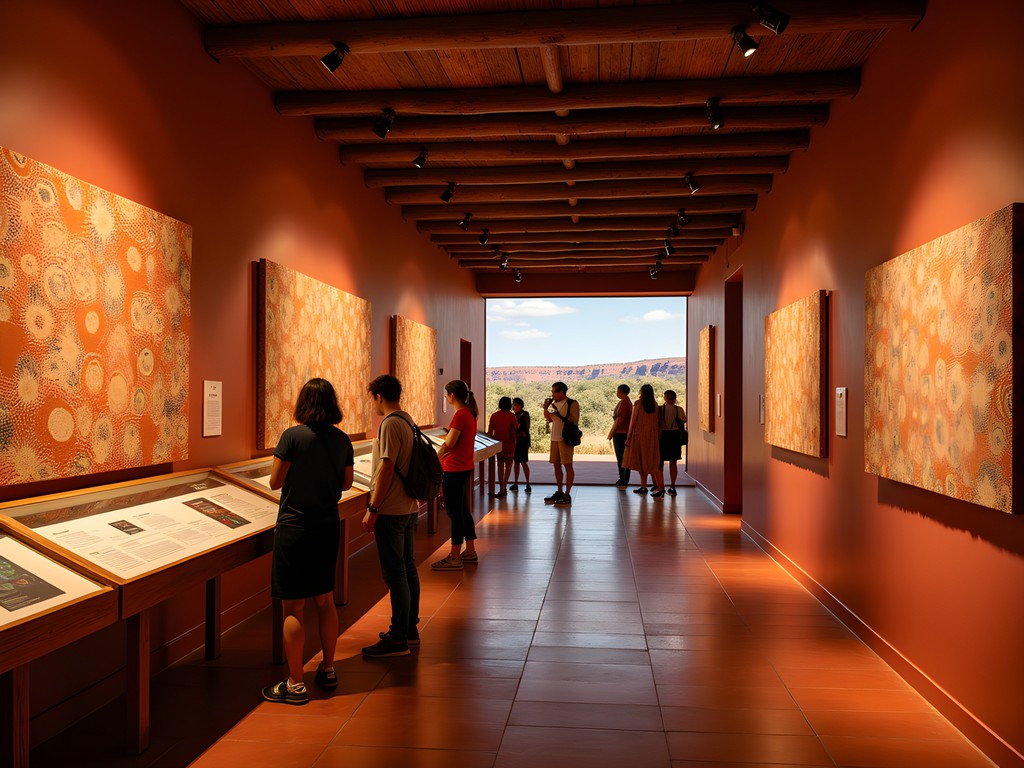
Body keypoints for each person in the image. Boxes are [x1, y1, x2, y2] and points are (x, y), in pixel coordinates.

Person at [263, 378, 354, 705]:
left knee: (293, 606)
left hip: (294, 528)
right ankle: (328, 669)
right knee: (325, 600)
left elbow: (275, 481)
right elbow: (346, 484)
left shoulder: (291, 437)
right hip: (327, 526)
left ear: (303, 403)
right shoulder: (342, 440)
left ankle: (295, 683)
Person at [360, 374, 421, 658]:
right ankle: (409, 628)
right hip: (409, 506)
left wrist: (373, 508)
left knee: (395, 573)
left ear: (379, 397)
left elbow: (386, 468)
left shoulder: (389, 423)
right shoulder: (408, 420)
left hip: (392, 509)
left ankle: (398, 638)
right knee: (408, 568)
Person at [431, 380, 479, 570]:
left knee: (454, 513)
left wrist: (435, 458)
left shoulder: (460, 416)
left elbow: (449, 443)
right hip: (464, 466)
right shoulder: (469, 414)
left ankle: (454, 556)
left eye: (446, 394)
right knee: (463, 510)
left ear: (451, 396)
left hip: (453, 468)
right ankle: (470, 550)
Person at [623, 383, 665, 499]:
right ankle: (652, 487)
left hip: (639, 437)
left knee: (642, 462)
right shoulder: (655, 405)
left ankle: (648, 487)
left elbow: (632, 422)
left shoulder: (638, 404)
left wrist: (628, 437)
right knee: (651, 462)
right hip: (652, 438)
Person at [543, 381, 579, 507]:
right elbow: (548, 418)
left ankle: (567, 494)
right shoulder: (554, 404)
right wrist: (545, 407)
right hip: (554, 438)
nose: (552, 394)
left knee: (568, 466)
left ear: (562, 392)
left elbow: (574, 421)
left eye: (554, 392)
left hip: (565, 439)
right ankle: (559, 491)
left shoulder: (572, 403)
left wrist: (556, 411)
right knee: (556, 465)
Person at [487, 396, 518, 497]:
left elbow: (490, 432)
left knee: (500, 466)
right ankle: (504, 486)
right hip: (510, 443)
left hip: (498, 444)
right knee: (508, 466)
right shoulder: (512, 416)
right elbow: (516, 429)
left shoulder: (494, 416)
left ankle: (501, 488)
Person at [659, 389, 687, 497]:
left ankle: (660, 486)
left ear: (665, 398)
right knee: (673, 462)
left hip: (663, 436)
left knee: (660, 462)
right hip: (675, 436)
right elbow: (684, 420)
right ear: (674, 399)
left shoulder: (660, 409)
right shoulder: (679, 409)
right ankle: (673, 486)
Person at [606, 384, 633, 489]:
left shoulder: (624, 403)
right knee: (623, 457)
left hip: (621, 433)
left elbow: (620, 419)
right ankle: (623, 478)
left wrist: (612, 432)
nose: (617, 393)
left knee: (621, 457)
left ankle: (623, 479)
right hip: (623, 432)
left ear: (621, 391)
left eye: (618, 391)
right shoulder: (626, 402)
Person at [509, 397, 531, 493]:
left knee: (522, 462)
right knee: (517, 462)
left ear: (519, 405)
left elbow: (526, 427)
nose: (513, 407)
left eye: (515, 404)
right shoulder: (515, 415)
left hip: (522, 441)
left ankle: (527, 483)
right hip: (517, 440)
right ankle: (516, 483)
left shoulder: (524, 414)